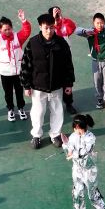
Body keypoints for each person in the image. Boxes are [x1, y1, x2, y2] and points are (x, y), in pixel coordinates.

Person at [20, 13, 76, 149]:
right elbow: (26, 65)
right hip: (38, 86)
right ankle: (36, 135)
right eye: (46, 28)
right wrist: (26, 85)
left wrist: (68, 83)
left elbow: (68, 64)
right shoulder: (33, 43)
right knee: (37, 112)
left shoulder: (61, 43)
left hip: (57, 85)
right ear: (40, 27)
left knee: (57, 110)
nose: (49, 31)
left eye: (51, 27)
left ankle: (55, 134)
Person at [63, 114, 105, 209]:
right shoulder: (73, 136)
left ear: (84, 127)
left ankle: (100, 207)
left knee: (92, 191)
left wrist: (73, 154)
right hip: (77, 169)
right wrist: (67, 149)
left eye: (78, 128)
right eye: (75, 128)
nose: (76, 130)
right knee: (77, 191)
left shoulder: (91, 137)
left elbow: (84, 152)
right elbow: (70, 147)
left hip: (89, 169)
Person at [49, 5, 79, 115]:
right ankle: (54, 106)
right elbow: (50, 34)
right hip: (54, 60)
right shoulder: (49, 28)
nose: (57, 16)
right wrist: (53, 20)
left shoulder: (64, 25)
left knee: (67, 82)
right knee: (54, 83)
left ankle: (69, 104)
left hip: (66, 60)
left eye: (58, 13)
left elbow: (73, 26)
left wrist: (62, 18)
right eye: (55, 14)